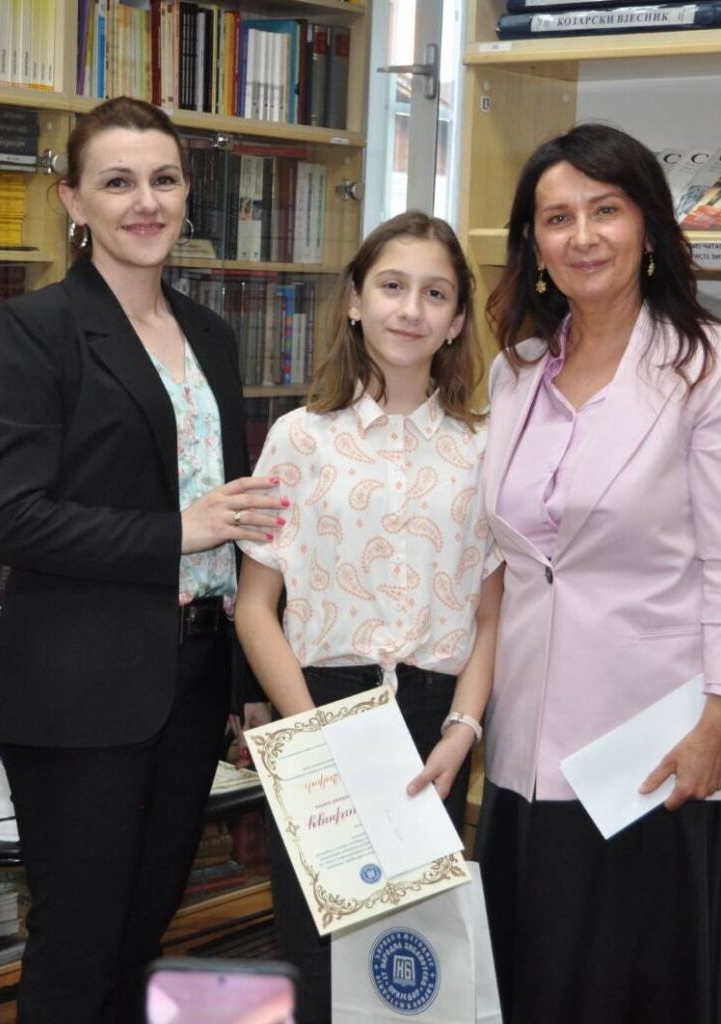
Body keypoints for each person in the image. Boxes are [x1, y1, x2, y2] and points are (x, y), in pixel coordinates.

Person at [0, 96, 284, 1024]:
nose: (145, 202)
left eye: (163, 180)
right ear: (73, 200)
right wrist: (177, 532)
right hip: (80, 688)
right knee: (79, 951)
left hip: (193, 678)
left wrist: (244, 683)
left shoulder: (212, 334)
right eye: (117, 182)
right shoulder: (33, 330)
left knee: (144, 937)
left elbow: (235, 523)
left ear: (186, 194)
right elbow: (9, 519)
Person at [476, 122, 721, 1022]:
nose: (583, 236)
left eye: (604, 210)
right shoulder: (515, 373)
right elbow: (511, 562)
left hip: (655, 746)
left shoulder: (713, 366)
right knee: (534, 981)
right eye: (557, 218)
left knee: (640, 989)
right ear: (534, 246)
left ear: (648, 225)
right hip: (526, 741)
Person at [234, 210, 504, 1024]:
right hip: (317, 712)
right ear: (355, 301)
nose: (410, 309)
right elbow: (255, 607)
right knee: (318, 964)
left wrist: (463, 730)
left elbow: (491, 614)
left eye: (435, 293)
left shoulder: (484, 448)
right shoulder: (299, 439)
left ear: (456, 321)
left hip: (433, 726)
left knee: (414, 976)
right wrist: (314, 738)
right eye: (391, 286)